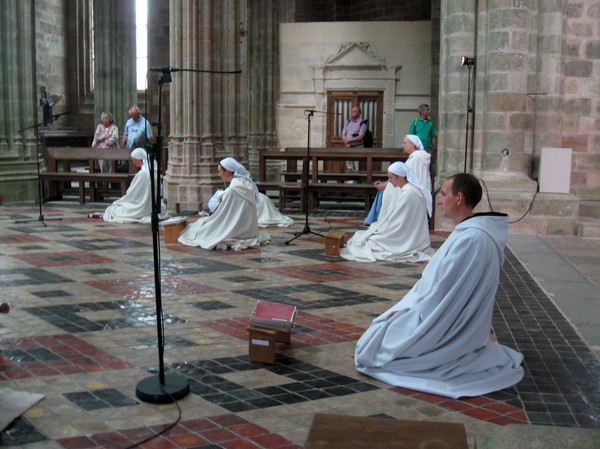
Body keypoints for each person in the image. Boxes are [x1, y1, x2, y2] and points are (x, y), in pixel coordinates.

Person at [354, 173, 524, 399]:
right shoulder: (473, 234)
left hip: (441, 319)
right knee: (378, 334)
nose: (440, 200)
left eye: (444, 194)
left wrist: (409, 311)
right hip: (446, 314)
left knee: (374, 347)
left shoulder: (471, 240)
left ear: (459, 198)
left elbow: (444, 294)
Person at [341, 162, 433, 263]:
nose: (389, 181)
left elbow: (397, 221)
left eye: (391, 178)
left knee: (371, 242)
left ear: (400, 177)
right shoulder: (410, 190)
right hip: (409, 233)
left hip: (406, 237)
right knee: (366, 237)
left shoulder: (409, 194)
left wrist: (382, 229)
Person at [178, 157, 271, 250]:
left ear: (227, 171)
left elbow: (222, 216)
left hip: (237, 231)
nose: (219, 174)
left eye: (220, 171)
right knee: (202, 224)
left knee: (200, 229)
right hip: (249, 231)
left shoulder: (232, 190)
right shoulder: (246, 183)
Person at [364, 134, 431, 225]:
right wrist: (387, 183)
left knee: (384, 191)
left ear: (413, 145)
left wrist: (385, 185)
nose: (403, 145)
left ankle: (380, 220)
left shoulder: (416, 159)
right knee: (383, 190)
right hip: (410, 187)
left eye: (405, 143)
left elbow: (406, 178)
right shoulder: (417, 157)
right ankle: (374, 219)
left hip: (413, 191)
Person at [103, 146, 167, 223]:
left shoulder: (142, 174)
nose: (132, 162)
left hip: (142, 205)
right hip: (153, 204)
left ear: (139, 160)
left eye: (133, 160)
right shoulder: (153, 170)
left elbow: (132, 193)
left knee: (117, 209)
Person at [121, 106, 153, 173]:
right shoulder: (129, 122)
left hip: (139, 150)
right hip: (129, 149)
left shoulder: (145, 122)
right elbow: (125, 134)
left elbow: (150, 137)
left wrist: (142, 140)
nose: (133, 118)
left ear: (139, 114)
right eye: (132, 116)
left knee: (138, 170)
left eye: (134, 116)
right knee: (129, 168)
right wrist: (124, 138)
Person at [341, 106, 368, 171]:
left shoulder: (362, 124)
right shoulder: (347, 122)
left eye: (354, 111)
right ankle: (350, 180)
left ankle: (357, 181)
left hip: (357, 147)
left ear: (359, 113)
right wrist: (346, 141)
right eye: (352, 111)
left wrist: (348, 140)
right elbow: (343, 133)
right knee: (349, 166)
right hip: (348, 147)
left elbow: (360, 136)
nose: (352, 113)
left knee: (357, 166)